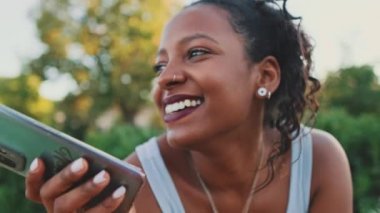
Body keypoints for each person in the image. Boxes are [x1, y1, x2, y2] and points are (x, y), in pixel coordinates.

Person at [25, 0, 353, 212]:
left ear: (265, 76)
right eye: (159, 66)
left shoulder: (318, 162)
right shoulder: (137, 185)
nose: (165, 78)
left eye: (196, 53)